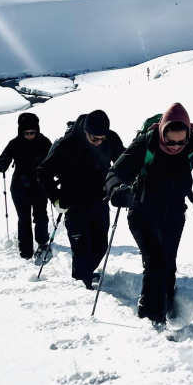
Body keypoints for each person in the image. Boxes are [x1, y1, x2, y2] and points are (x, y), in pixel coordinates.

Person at [106, 103, 193, 326]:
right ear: (161, 132)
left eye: (181, 141)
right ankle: (151, 320)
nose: (176, 146)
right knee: (155, 262)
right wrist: (117, 189)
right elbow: (116, 172)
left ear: (188, 133)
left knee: (168, 264)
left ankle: (167, 305)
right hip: (141, 213)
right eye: (170, 141)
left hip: (174, 213)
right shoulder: (145, 143)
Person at [38, 110, 125, 290]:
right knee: (81, 250)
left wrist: (122, 186)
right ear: (85, 131)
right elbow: (43, 172)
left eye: (103, 138)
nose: (100, 142)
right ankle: (80, 284)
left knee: (100, 247)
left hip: (100, 201)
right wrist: (55, 199)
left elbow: (124, 163)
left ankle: (84, 274)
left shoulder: (111, 139)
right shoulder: (68, 145)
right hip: (74, 203)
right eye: (95, 139)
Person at [0, 113, 53, 261]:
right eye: (26, 133)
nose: (29, 136)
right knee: (24, 219)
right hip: (20, 188)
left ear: (37, 130)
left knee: (41, 217)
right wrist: (1, 163)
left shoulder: (45, 142)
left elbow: (55, 160)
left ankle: (43, 243)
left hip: (40, 187)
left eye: (32, 132)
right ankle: (25, 251)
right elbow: (4, 160)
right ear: (20, 132)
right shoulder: (14, 144)